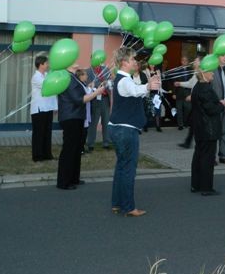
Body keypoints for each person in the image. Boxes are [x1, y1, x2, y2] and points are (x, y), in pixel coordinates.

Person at [108, 47, 160, 217]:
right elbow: (135, 90)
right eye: (132, 59)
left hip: (119, 128)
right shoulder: (124, 80)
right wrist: (148, 86)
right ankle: (128, 207)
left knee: (121, 167)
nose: (135, 62)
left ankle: (117, 203)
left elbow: (136, 90)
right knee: (128, 169)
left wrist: (148, 85)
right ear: (124, 62)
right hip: (126, 130)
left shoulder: (123, 79)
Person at [56, 63, 105, 190]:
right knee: (69, 149)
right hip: (71, 117)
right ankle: (64, 181)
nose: (76, 60)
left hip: (76, 117)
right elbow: (79, 99)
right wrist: (97, 92)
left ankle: (73, 178)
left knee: (76, 149)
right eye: (73, 59)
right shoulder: (68, 78)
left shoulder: (73, 77)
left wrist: (90, 89)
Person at [190, 65, 225, 196]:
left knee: (198, 155)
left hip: (200, 127)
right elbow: (211, 109)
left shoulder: (197, 87)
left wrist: (218, 103)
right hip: (208, 128)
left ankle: (196, 185)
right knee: (207, 158)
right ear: (204, 74)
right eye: (211, 71)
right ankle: (206, 187)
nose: (213, 74)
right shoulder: (206, 89)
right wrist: (222, 104)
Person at [30, 54, 57, 162]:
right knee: (38, 133)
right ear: (40, 64)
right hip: (39, 109)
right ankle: (37, 156)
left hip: (48, 108)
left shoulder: (47, 75)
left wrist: (55, 107)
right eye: (46, 63)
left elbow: (53, 93)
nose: (48, 65)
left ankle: (47, 154)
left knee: (47, 132)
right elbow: (48, 87)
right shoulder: (36, 77)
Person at [85, 63, 112, 152]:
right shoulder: (88, 71)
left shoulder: (106, 69)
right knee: (93, 123)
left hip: (105, 99)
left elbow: (111, 82)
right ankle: (90, 144)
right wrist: (99, 84)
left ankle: (106, 143)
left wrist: (107, 83)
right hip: (94, 99)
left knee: (106, 121)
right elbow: (87, 85)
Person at [176, 57, 200, 149]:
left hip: (199, 102)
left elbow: (199, 87)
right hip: (196, 102)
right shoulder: (195, 72)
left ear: (200, 63)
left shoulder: (201, 73)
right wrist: (180, 83)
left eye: (196, 61)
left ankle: (192, 143)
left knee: (196, 123)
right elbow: (191, 83)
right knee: (193, 123)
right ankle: (188, 142)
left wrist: (192, 95)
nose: (194, 62)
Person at [174, 56, 192, 131]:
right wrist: (174, 93)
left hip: (188, 93)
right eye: (183, 60)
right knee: (179, 109)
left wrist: (191, 93)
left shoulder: (191, 70)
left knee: (188, 108)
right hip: (179, 92)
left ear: (188, 62)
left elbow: (192, 83)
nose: (184, 61)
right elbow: (174, 82)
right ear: (181, 61)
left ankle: (185, 122)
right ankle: (180, 124)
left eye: (186, 60)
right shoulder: (177, 70)